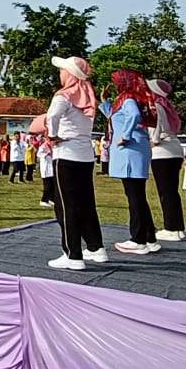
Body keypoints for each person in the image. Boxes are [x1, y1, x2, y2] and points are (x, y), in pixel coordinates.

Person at [44, 56, 105, 269]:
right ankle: (96, 247)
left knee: (66, 206)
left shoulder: (64, 96)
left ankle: (72, 254)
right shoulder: (87, 96)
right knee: (86, 203)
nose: (60, 74)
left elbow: (51, 117)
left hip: (66, 155)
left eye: (62, 70)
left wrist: (52, 136)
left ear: (69, 74)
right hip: (85, 156)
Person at [104, 70, 159, 256]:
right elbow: (115, 117)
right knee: (138, 197)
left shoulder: (128, 98)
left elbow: (132, 115)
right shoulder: (135, 98)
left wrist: (125, 135)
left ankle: (138, 239)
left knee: (134, 197)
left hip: (129, 151)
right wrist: (104, 102)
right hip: (137, 150)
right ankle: (149, 236)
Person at [147, 79, 186, 241]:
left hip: (162, 151)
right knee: (172, 191)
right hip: (175, 149)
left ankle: (171, 228)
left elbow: (156, 127)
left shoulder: (156, 106)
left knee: (165, 192)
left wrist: (153, 140)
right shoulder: (166, 106)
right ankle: (177, 227)